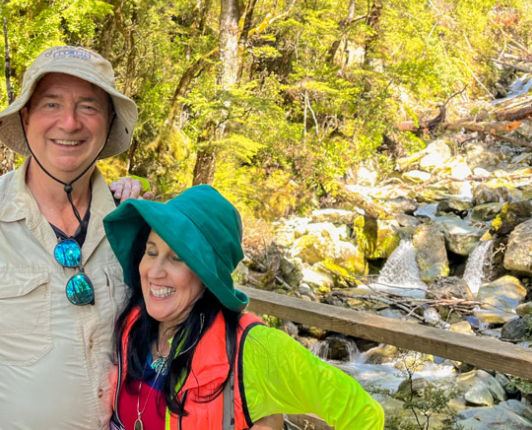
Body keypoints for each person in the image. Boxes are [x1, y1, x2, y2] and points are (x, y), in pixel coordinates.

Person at [103, 185, 385, 429]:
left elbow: (363, 414)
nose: (154, 271)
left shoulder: (253, 348)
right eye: (151, 251)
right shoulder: (133, 322)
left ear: (207, 275)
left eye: (177, 258)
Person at [0, 46, 151, 429]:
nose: (69, 123)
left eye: (88, 106)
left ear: (108, 122)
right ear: (25, 116)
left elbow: (195, 319)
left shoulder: (137, 223)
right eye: (51, 104)